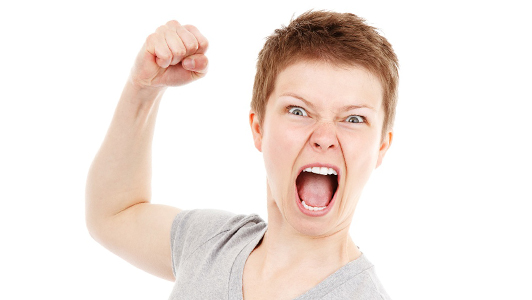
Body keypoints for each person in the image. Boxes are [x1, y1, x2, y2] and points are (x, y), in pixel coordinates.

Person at [86, 10, 398, 300]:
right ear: (259, 127)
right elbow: (112, 214)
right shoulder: (210, 243)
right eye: (299, 110)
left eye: (354, 119)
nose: (325, 137)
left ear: (381, 147)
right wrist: (141, 90)